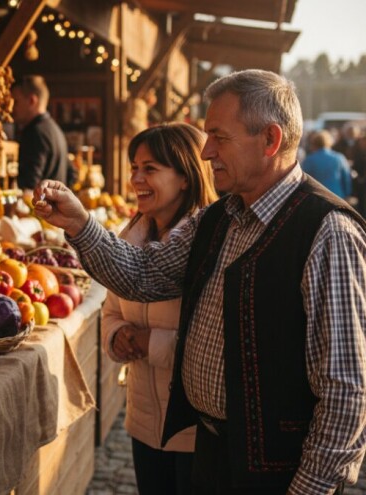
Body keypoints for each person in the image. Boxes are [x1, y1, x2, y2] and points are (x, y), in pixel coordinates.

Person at [34, 69, 366, 494]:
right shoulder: (220, 216)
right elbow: (142, 276)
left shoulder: (327, 231)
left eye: (219, 137)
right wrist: (80, 223)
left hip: (274, 472)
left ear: (270, 140)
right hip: (210, 456)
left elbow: (345, 392)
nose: (206, 151)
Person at [103, 122, 217, 495]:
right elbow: (110, 310)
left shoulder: (209, 243)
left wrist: (149, 342)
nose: (136, 178)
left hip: (195, 431)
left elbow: (216, 342)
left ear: (185, 177)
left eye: (149, 168)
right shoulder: (129, 238)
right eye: (134, 167)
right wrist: (118, 335)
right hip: (142, 421)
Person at [10, 75, 71, 193]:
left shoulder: (34, 132)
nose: (12, 108)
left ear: (32, 101)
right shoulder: (55, 129)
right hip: (53, 207)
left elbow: (29, 186)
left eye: (16, 102)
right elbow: (72, 174)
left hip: (38, 209)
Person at [301, 130, 352, 199]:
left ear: (314, 143)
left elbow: (304, 181)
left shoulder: (309, 160)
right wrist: (347, 194)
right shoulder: (339, 158)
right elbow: (346, 179)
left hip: (316, 197)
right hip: (337, 196)